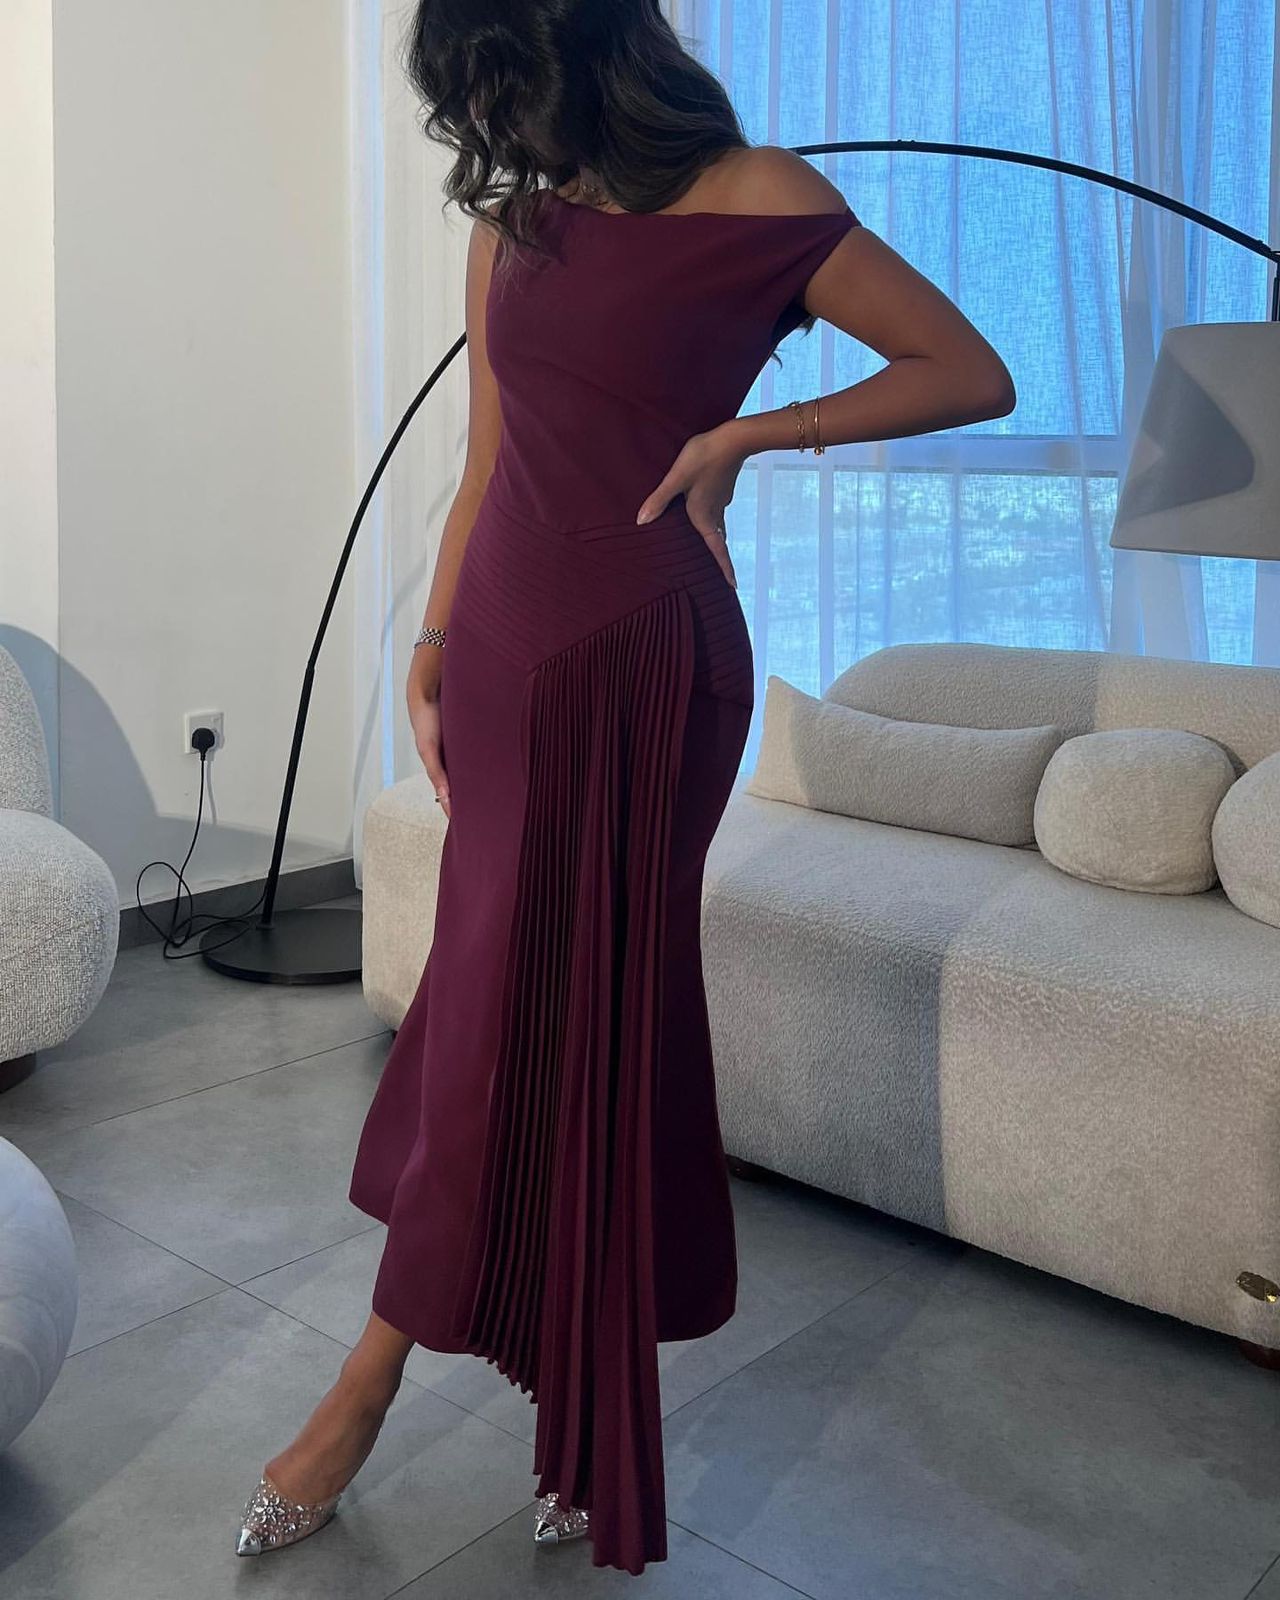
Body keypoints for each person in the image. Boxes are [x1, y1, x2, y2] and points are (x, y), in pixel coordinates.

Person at [234, 0, 1015, 1576]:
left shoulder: (761, 196)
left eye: (495, 85)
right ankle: (584, 1408)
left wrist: (753, 434)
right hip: (506, 651)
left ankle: (368, 1389)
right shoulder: (514, 225)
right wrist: (435, 642)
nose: (487, 126)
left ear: (576, 46)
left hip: (650, 661)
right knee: (502, 1005)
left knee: (571, 1014)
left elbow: (969, 370)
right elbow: (487, 463)